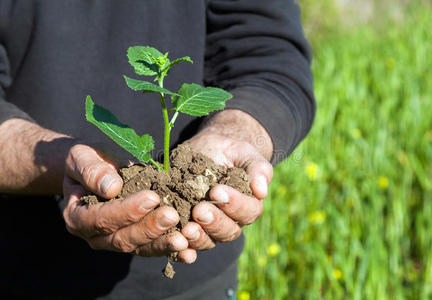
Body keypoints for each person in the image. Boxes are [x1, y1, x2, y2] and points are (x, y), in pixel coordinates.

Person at [0, 0, 315, 299]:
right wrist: (55, 159)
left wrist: (236, 132)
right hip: (18, 267)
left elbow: (269, 55)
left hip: (194, 284)